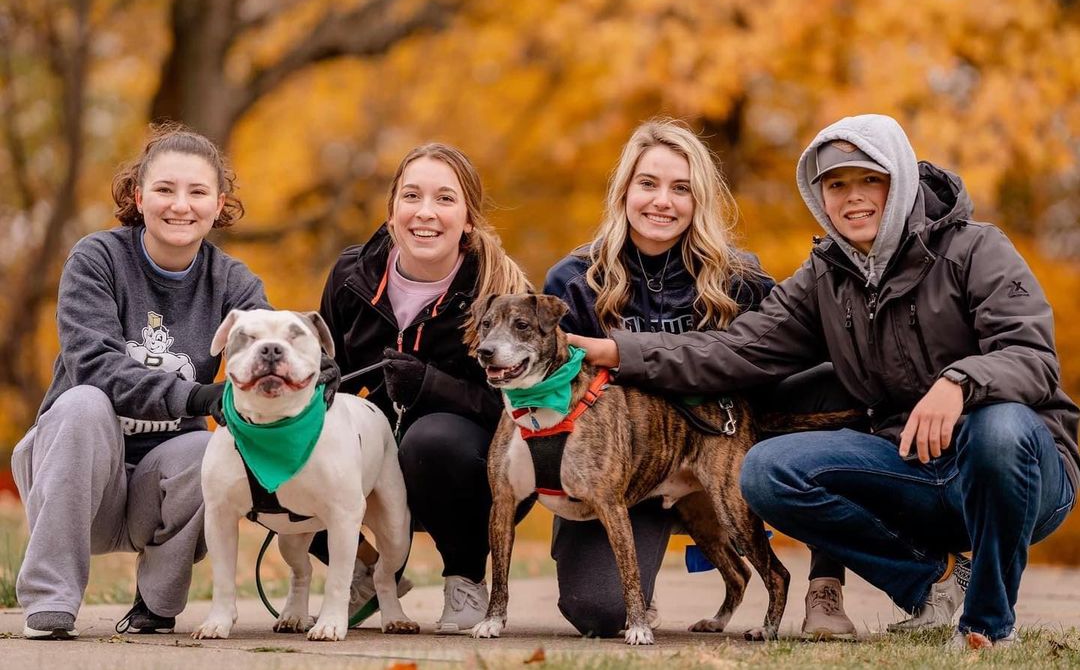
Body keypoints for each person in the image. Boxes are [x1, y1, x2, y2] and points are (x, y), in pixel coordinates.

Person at [570, 114, 1079, 649]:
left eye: (869, 181)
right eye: (836, 184)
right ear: (820, 197)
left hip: (1018, 474)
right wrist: (617, 351)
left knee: (999, 428)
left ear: (899, 182)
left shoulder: (976, 249)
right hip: (909, 467)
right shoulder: (825, 277)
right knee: (767, 470)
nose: (852, 198)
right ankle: (934, 583)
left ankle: (988, 625)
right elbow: (733, 350)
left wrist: (959, 382)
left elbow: (1033, 359)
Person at [545, 118, 863, 639]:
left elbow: (788, 361)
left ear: (701, 201)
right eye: (647, 183)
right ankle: (636, 571)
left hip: (727, 450)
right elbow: (551, 399)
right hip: (625, 474)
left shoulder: (741, 278)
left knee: (837, 387)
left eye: (681, 189)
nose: (661, 201)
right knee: (598, 612)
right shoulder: (574, 281)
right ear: (624, 190)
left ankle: (824, 585)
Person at [11, 123, 271, 639]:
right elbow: (95, 366)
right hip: (73, 471)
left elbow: (267, 348)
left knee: (210, 447)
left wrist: (304, 362)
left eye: (198, 192)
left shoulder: (235, 282)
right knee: (85, 402)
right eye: (165, 189)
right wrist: (196, 394)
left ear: (219, 204)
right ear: (139, 196)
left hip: (158, 485)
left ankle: (157, 602)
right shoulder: (97, 258)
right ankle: (50, 599)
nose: (181, 205)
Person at [318, 142, 531, 633]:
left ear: (469, 219)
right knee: (283, 440)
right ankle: (366, 569)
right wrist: (319, 376)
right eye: (412, 196)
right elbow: (328, 372)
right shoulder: (351, 276)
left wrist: (430, 385)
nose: (426, 213)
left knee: (433, 439)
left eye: (445, 199)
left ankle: (465, 578)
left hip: (467, 463)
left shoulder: (497, 291)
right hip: (372, 445)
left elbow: (515, 410)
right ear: (392, 211)